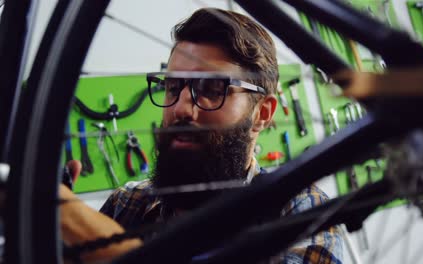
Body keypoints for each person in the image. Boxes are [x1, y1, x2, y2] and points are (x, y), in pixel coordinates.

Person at [60, 7, 343, 263]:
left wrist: (70, 218)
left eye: (211, 89)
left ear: (263, 113)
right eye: (173, 87)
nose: (181, 108)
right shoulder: (127, 203)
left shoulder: (304, 214)